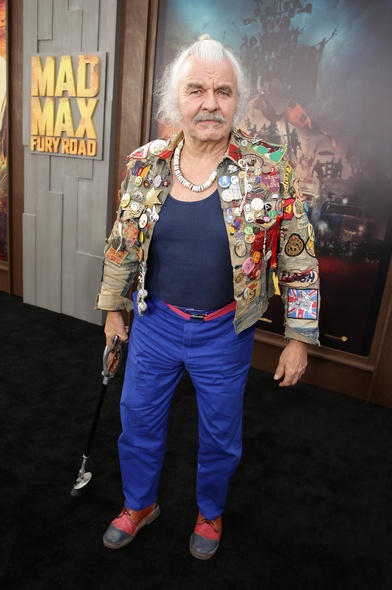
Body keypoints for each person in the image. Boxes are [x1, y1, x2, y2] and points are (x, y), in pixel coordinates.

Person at [95, 35, 320, 560]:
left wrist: (299, 338)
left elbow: (299, 258)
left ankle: (210, 512)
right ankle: (139, 504)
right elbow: (123, 240)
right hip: (155, 323)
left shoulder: (270, 168)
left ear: (238, 99)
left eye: (223, 91)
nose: (210, 104)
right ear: (176, 100)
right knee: (137, 421)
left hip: (226, 330)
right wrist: (112, 310)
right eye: (196, 90)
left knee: (220, 435)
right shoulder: (145, 164)